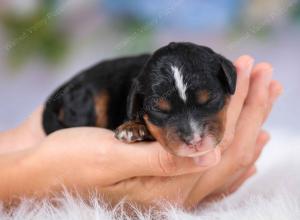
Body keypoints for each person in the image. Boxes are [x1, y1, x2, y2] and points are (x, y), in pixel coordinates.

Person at [0, 55, 282, 210]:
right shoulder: (132, 97)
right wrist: (35, 172)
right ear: (139, 106)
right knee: (91, 102)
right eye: (162, 112)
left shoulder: (216, 73)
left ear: (227, 80)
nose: (194, 135)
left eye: (209, 103)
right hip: (85, 95)